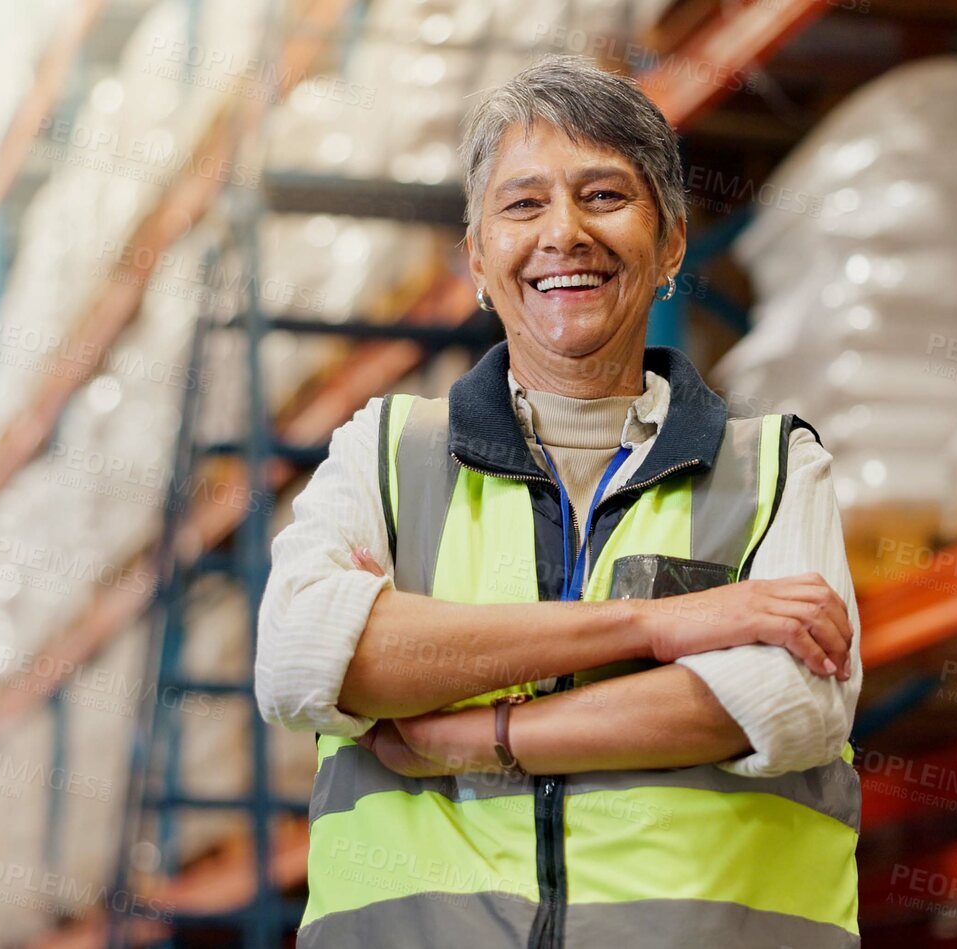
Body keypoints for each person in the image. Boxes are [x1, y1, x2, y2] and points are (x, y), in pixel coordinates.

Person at [256, 56, 863, 947]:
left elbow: (790, 702)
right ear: (475, 257)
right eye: (522, 203)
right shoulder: (386, 454)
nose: (564, 234)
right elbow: (302, 657)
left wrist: (483, 734)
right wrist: (657, 629)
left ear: (671, 245)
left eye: (605, 196)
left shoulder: (773, 466)